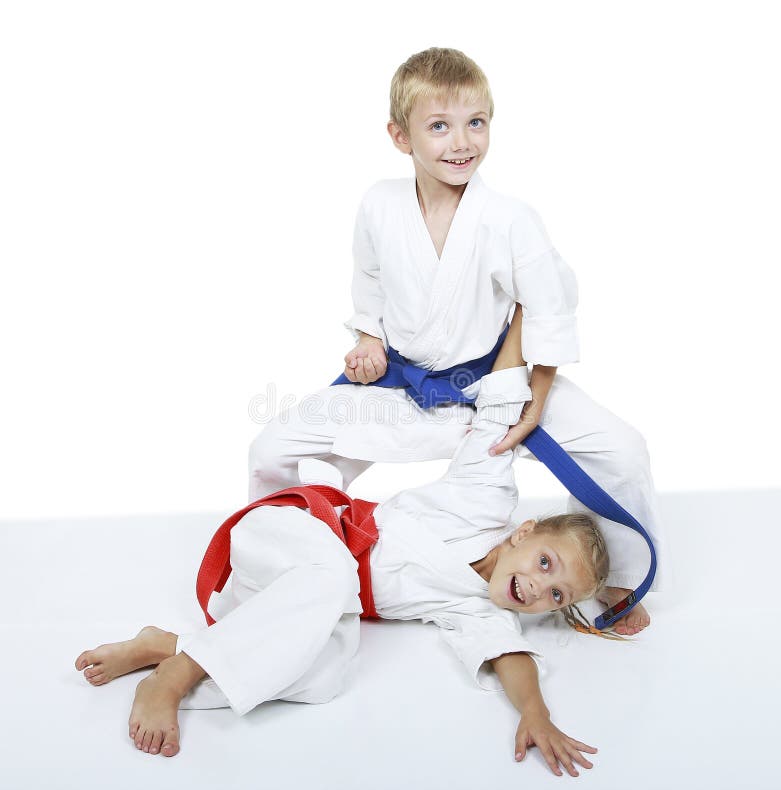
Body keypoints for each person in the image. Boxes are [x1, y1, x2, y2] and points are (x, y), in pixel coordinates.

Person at [248, 47, 665, 636]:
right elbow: (369, 280)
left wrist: (534, 400)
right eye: (439, 126)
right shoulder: (378, 204)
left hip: (496, 384)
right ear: (401, 136)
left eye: (476, 122)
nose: (461, 142)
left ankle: (615, 576)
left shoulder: (509, 218)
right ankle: (277, 563)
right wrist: (369, 338)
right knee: (273, 445)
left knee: (622, 448)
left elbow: (547, 304)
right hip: (404, 382)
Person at [75, 363, 609, 776]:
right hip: (297, 527)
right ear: (523, 530)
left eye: (557, 596)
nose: (540, 587)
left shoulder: (474, 607)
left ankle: (164, 645)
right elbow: (500, 402)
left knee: (325, 675)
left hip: (293, 598)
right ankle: (175, 676)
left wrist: (534, 714)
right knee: (331, 579)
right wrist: (520, 306)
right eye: (546, 563)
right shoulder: (482, 501)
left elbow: (509, 656)